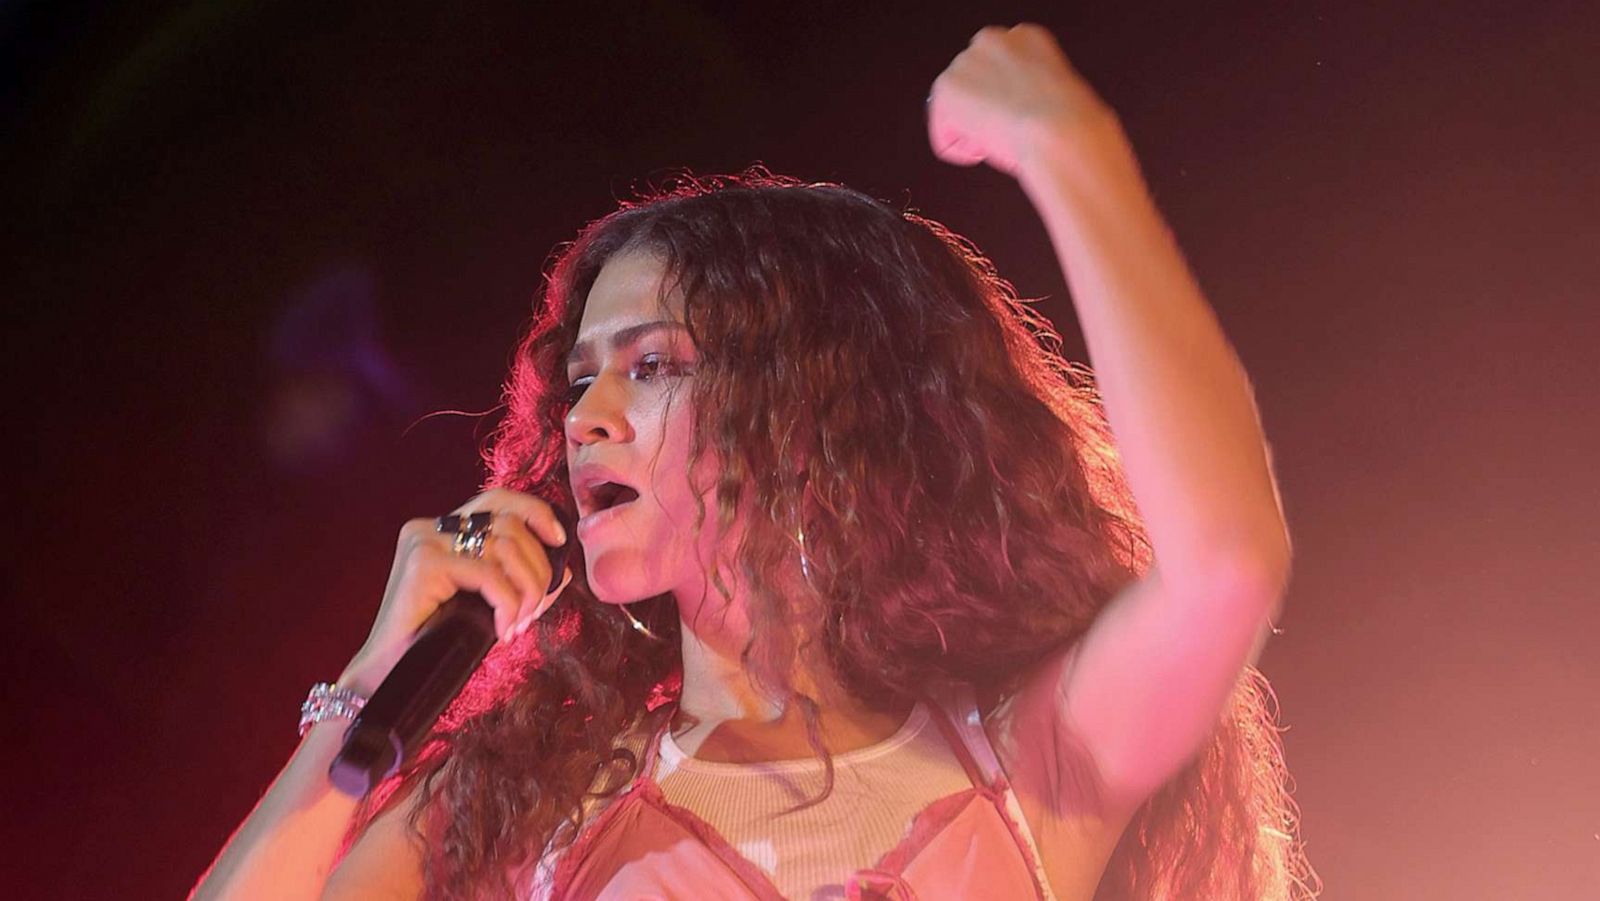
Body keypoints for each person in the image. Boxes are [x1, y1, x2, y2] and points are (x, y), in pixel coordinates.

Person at [193, 24, 1317, 900]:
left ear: (821, 403)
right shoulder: (521, 803)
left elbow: (1225, 563)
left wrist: (1073, 150)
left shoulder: (1025, 765)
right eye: (580, 376)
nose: (586, 414)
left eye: (652, 364)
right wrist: (371, 684)